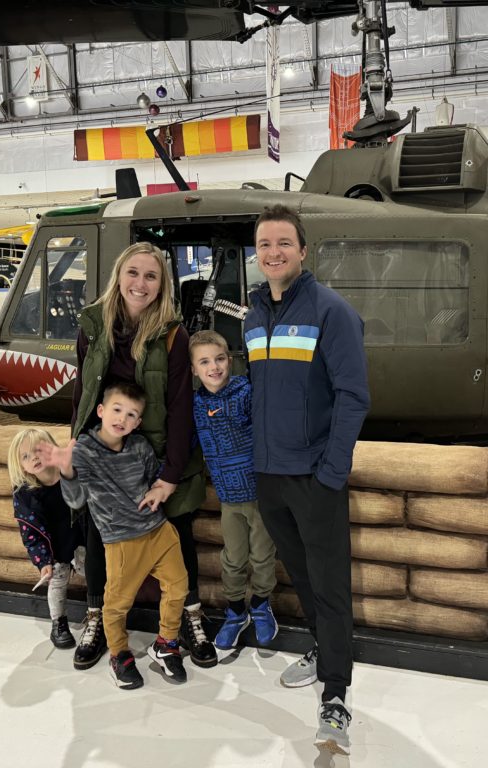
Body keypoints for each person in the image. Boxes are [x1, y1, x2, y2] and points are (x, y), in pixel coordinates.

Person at [244, 204, 370, 756]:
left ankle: (336, 697)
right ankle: (322, 649)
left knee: (331, 587)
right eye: (264, 245)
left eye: (283, 244)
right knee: (300, 573)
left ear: (302, 250)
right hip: (269, 477)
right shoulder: (251, 316)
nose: (273, 253)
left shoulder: (331, 312)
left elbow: (353, 396)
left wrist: (331, 472)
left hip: (314, 479)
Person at [69, 241, 215, 671]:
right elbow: (83, 392)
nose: (140, 283)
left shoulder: (172, 335)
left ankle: (190, 616)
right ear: (119, 275)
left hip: (155, 459)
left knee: (176, 533)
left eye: (151, 276)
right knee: (100, 535)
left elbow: (180, 407)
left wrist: (170, 474)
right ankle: (96, 617)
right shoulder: (94, 326)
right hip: (104, 457)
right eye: (133, 273)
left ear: (162, 285)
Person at [40, 382, 190, 690]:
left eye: (131, 414)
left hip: (159, 531)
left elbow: (153, 479)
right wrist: (66, 472)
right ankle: (119, 654)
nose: (122, 418)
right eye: (117, 410)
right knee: (117, 604)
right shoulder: (84, 449)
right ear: (101, 411)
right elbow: (76, 500)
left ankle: (166, 643)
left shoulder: (140, 447)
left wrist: (159, 492)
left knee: (178, 587)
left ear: (138, 422)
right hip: (122, 541)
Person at [189, 330, 278, 652]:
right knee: (234, 558)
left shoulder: (245, 391)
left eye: (220, 358)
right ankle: (236, 611)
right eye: (205, 362)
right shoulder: (195, 405)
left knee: (262, 556)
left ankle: (261, 605)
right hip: (229, 499)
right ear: (194, 370)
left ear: (231, 359)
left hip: (259, 495)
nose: (214, 367)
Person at [7, 428, 85, 650]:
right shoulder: (25, 495)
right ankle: (58, 623)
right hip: (55, 547)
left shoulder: (69, 473)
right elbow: (30, 533)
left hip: (81, 541)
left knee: (97, 575)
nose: (33, 458)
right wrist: (43, 562)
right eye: (25, 456)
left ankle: (97, 615)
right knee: (57, 583)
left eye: (38, 450)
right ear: (21, 465)